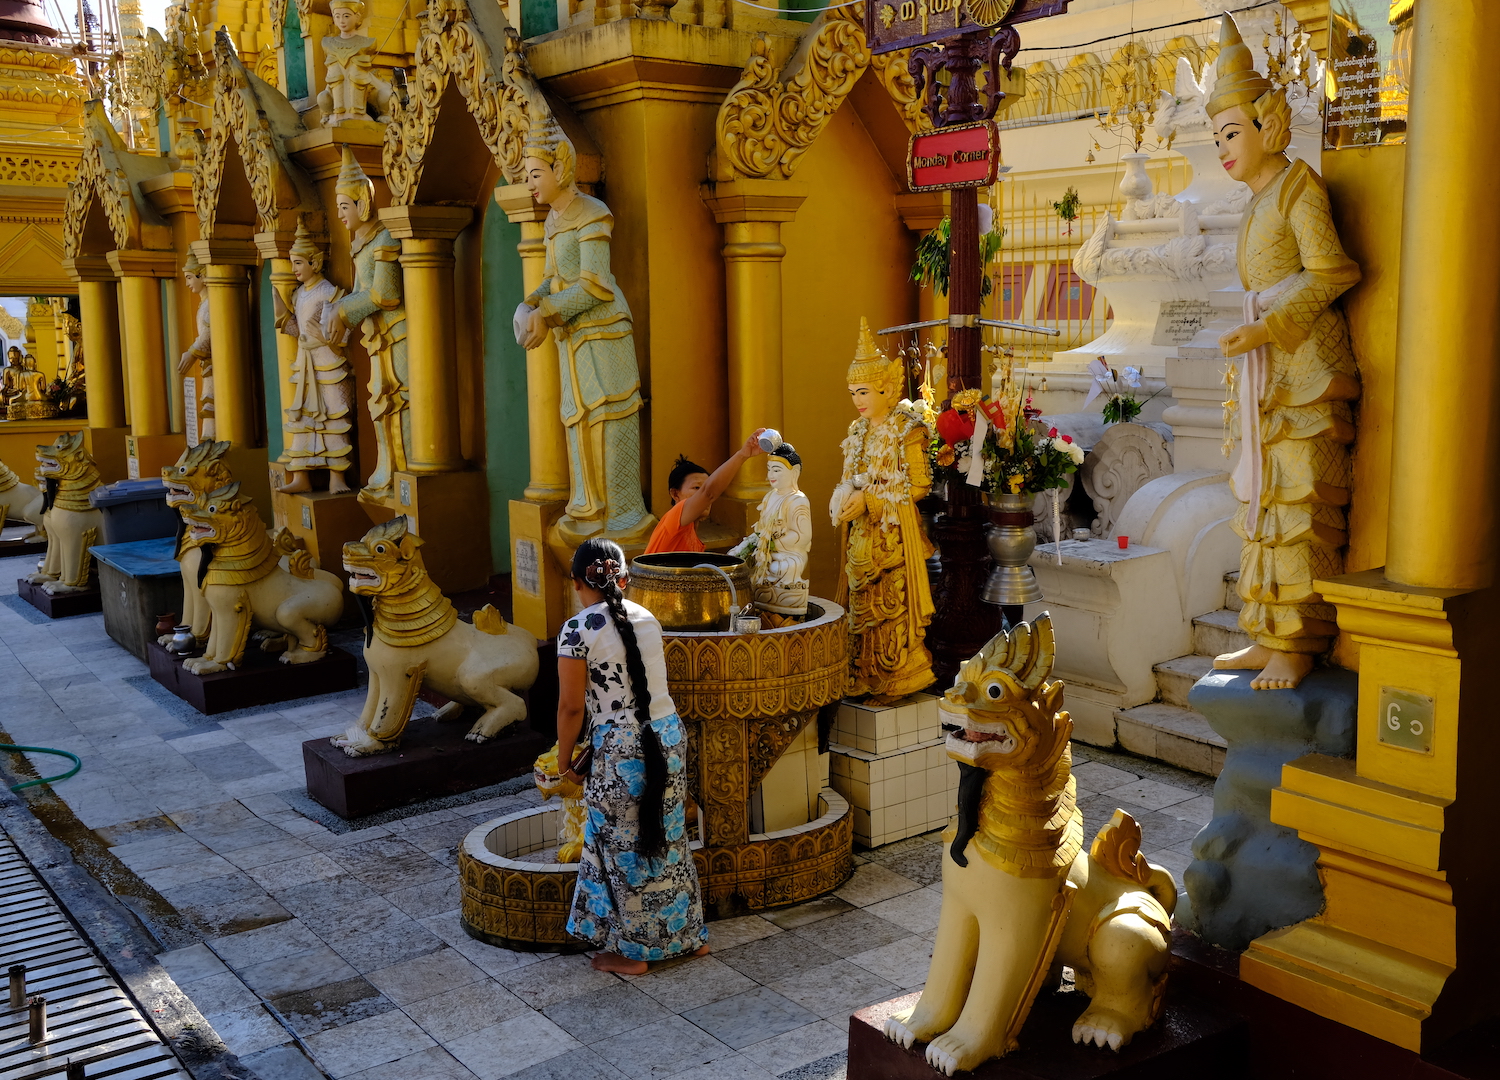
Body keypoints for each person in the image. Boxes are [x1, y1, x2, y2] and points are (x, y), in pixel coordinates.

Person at [1206, 14, 1360, 691]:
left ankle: (1300, 642)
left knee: (1299, 505)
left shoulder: (1299, 189)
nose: (1221, 148)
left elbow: (1333, 272)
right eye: (1214, 136)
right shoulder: (1253, 204)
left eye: (1231, 131)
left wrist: (1267, 330)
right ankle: (1268, 635)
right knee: (1263, 503)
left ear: (1267, 126)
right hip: (1267, 372)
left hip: (1305, 369)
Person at [555, 537, 709, 974]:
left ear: (576, 582)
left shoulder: (577, 629)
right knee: (668, 832)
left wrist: (566, 761)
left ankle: (633, 952)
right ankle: (689, 937)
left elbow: (570, 707)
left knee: (622, 847)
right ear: (624, 578)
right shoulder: (648, 618)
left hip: (620, 749)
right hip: (667, 737)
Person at [833, 318, 936, 703]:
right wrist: (844, 499)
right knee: (862, 607)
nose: (858, 401)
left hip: (894, 536)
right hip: (862, 536)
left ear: (887, 389)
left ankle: (897, 676)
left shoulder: (907, 429)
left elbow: (920, 486)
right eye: (852, 393)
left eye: (864, 392)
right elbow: (851, 477)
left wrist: (872, 500)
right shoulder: (858, 432)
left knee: (892, 605)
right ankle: (864, 674)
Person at [644, 429, 766, 554]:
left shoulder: (694, 537)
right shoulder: (673, 519)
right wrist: (743, 454)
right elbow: (708, 493)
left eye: (703, 488)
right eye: (696, 488)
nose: (704, 496)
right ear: (675, 494)